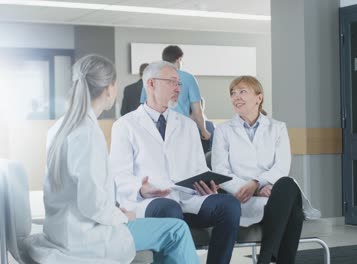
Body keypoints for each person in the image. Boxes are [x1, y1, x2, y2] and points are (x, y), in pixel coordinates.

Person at [27, 55, 198, 264]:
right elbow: (93, 204)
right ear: (109, 88)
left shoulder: (61, 126)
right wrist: (125, 216)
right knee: (176, 230)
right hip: (89, 237)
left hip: (64, 229)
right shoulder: (87, 132)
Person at [110, 61, 241, 264]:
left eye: (179, 84)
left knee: (229, 205)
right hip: (148, 203)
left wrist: (206, 184)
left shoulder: (188, 125)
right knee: (169, 207)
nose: (178, 89)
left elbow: (199, 167)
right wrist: (141, 189)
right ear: (151, 84)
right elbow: (118, 175)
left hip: (188, 199)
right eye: (172, 82)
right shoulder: (125, 126)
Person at [211, 76, 321, 264]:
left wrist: (260, 183)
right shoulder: (223, 130)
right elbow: (220, 170)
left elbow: (282, 165)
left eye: (242, 91)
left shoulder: (277, 128)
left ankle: (265, 257)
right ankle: (269, 259)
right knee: (293, 211)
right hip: (243, 197)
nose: (236, 97)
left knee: (286, 184)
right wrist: (252, 188)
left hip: (272, 191)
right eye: (232, 93)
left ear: (259, 97)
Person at [140, 45, 211, 141]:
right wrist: (203, 131)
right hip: (181, 129)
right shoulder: (188, 78)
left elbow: (143, 105)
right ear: (179, 60)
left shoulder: (152, 77)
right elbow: (197, 111)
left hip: (154, 129)